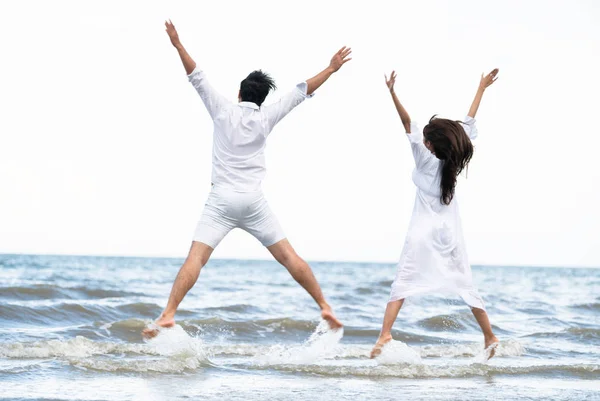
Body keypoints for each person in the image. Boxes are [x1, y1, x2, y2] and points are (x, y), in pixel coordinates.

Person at [143, 21, 351, 338]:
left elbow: (196, 77)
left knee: (196, 259)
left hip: (221, 201)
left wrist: (177, 44)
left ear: (239, 93)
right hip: (253, 202)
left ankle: (169, 313)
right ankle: (324, 305)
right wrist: (332, 69)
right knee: (289, 257)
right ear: (262, 98)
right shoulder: (267, 116)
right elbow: (301, 91)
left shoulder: (222, 110)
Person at [370, 69, 500, 359]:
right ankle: (489, 336)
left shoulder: (423, 156)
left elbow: (405, 122)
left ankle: (384, 335)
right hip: (449, 233)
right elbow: (468, 120)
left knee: (403, 279)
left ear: (429, 145)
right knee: (465, 283)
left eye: (426, 137)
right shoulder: (453, 157)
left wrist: (392, 92)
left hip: (422, 231)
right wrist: (481, 87)